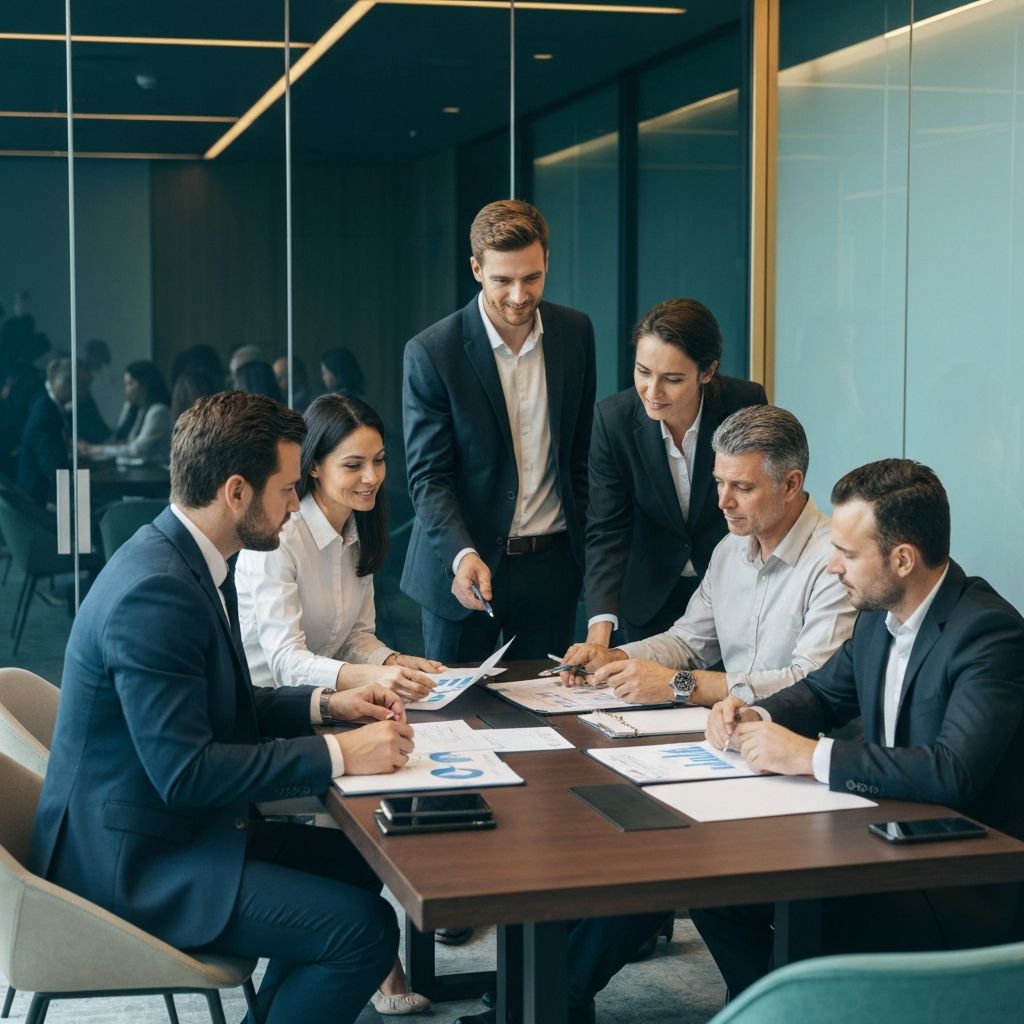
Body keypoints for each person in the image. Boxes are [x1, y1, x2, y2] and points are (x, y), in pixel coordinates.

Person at [29, 391, 415, 1024]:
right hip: (132, 864)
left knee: (355, 863)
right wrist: (340, 753)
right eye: (288, 488)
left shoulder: (182, 558)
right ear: (237, 491)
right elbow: (186, 774)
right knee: (365, 931)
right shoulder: (157, 591)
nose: (296, 505)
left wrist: (329, 707)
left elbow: (224, 707)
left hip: (161, 831)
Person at [693, 458, 1024, 997]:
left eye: (846, 553)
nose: (832, 567)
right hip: (881, 836)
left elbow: (953, 771)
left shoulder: (987, 634)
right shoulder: (878, 617)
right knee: (718, 886)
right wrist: (755, 714)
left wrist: (807, 756)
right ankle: (776, 1006)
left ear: (901, 559)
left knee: (809, 906)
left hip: (958, 873)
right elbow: (823, 691)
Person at [236, 392, 440, 1014]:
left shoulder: (357, 525)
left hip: (327, 700)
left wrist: (394, 662)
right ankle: (375, 960)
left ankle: (369, 955)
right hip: (269, 716)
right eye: (354, 465)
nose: (373, 477)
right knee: (379, 788)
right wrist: (364, 680)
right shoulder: (281, 533)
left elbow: (356, 634)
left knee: (406, 760)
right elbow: (287, 660)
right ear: (315, 466)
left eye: (379, 461)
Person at [402, 199, 596, 664]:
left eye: (532, 278)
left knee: (550, 721)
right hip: (465, 568)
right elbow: (429, 478)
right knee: (457, 717)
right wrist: (460, 555)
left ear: (547, 261)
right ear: (475, 269)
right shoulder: (433, 352)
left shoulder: (575, 333)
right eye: (502, 280)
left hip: (551, 566)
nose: (518, 295)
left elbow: (581, 456)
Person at [563, 405, 856, 709]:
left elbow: (810, 682)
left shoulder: (835, 563)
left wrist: (679, 684)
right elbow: (688, 642)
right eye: (719, 482)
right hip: (732, 732)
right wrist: (617, 657)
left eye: (742, 487)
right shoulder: (729, 549)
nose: (723, 502)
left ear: (791, 485)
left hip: (804, 741)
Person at [582, 298, 766, 645]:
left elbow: (761, 503)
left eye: (672, 379)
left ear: (707, 372)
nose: (653, 392)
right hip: (649, 599)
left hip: (732, 593)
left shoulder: (744, 404)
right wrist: (598, 633)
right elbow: (607, 530)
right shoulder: (613, 421)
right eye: (643, 372)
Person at [81, 359, 172, 464]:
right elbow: (121, 438)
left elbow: (135, 450)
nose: (126, 389)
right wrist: (127, 406)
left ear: (145, 385)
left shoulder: (158, 411)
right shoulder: (139, 409)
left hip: (154, 475)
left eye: (130, 383)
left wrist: (93, 449)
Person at [15, 356, 71, 504]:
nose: (83, 391)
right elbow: (52, 466)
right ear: (63, 384)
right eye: (80, 384)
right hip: (37, 502)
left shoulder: (49, 406)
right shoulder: (45, 412)